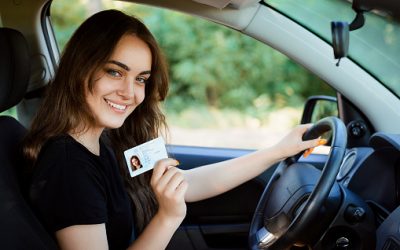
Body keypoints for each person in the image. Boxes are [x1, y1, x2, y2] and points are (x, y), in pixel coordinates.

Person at [23, 9, 322, 250]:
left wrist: (278, 151)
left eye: (141, 79)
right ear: (80, 69)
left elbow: (184, 184)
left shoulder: (105, 138)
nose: (130, 92)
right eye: (115, 72)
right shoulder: (68, 167)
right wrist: (168, 217)